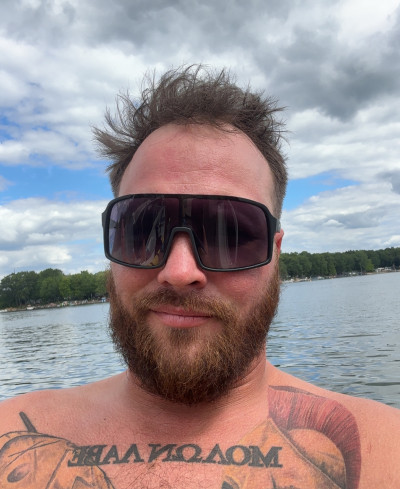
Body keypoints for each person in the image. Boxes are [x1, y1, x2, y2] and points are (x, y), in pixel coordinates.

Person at [0, 65, 398, 489]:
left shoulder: (388, 452)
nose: (179, 272)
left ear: (275, 252)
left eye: (230, 233)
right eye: (143, 228)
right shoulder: (12, 430)